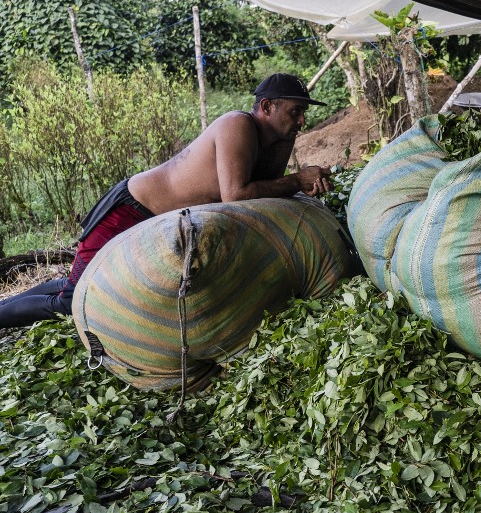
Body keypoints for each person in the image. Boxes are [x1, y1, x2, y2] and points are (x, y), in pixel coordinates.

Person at [0, 72, 333, 330]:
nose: (302, 121)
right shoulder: (238, 124)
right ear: (266, 107)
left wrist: (300, 180)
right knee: (76, 299)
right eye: (295, 111)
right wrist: (296, 181)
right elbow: (236, 195)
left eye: (302, 113)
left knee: (76, 284)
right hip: (130, 209)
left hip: (160, 221)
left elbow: (264, 193)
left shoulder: (280, 138)